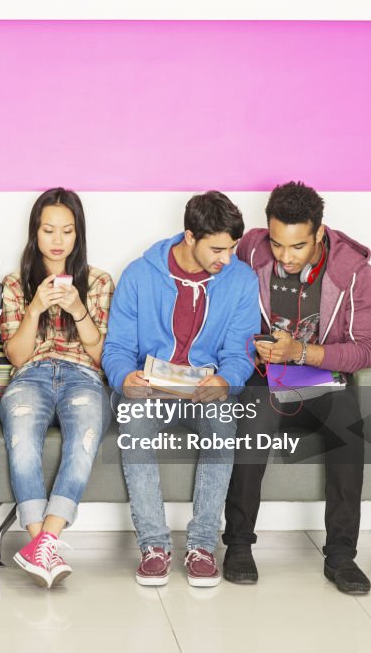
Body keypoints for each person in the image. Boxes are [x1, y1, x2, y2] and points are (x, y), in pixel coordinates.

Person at [222, 181, 371, 595]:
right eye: (278, 244)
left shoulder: (354, 272)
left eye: (297, 247)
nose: (285, 257)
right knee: (253, 422)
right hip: (265, 375)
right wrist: (252, 350)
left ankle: (341, 555)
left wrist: (303, 353)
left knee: (350, 430)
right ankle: (238, 544)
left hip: (320, 378)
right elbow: (216, 297)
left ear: (319, 233)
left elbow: (367, 350)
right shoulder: (250, 251)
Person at [102, 191, 259, 588]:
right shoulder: (140, 275)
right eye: (218, 249)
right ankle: (154, 546)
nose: (226, 258)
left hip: (205, 389)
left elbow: (241, 351)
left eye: (232, 248)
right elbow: (117, 348)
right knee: (133, 428)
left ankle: (202, 546)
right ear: (190, 236)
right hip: (150, 389)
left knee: (225, 426)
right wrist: (124, 378)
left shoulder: (241, 280)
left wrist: (226, 381)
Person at [0, 188, 114, 588]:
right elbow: (15, 356)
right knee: (23, 440)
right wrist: (34, 308)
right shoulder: (14, 284)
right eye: (49, 230)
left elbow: (101, 359)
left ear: (78, 235)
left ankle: (43, 542)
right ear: (35, 233)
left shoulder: (98, 281)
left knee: (83, 437)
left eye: (67, 231)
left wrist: (79, 309)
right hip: (29, 375)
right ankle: (41, 545)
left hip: (82, 375)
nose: (58, 240)